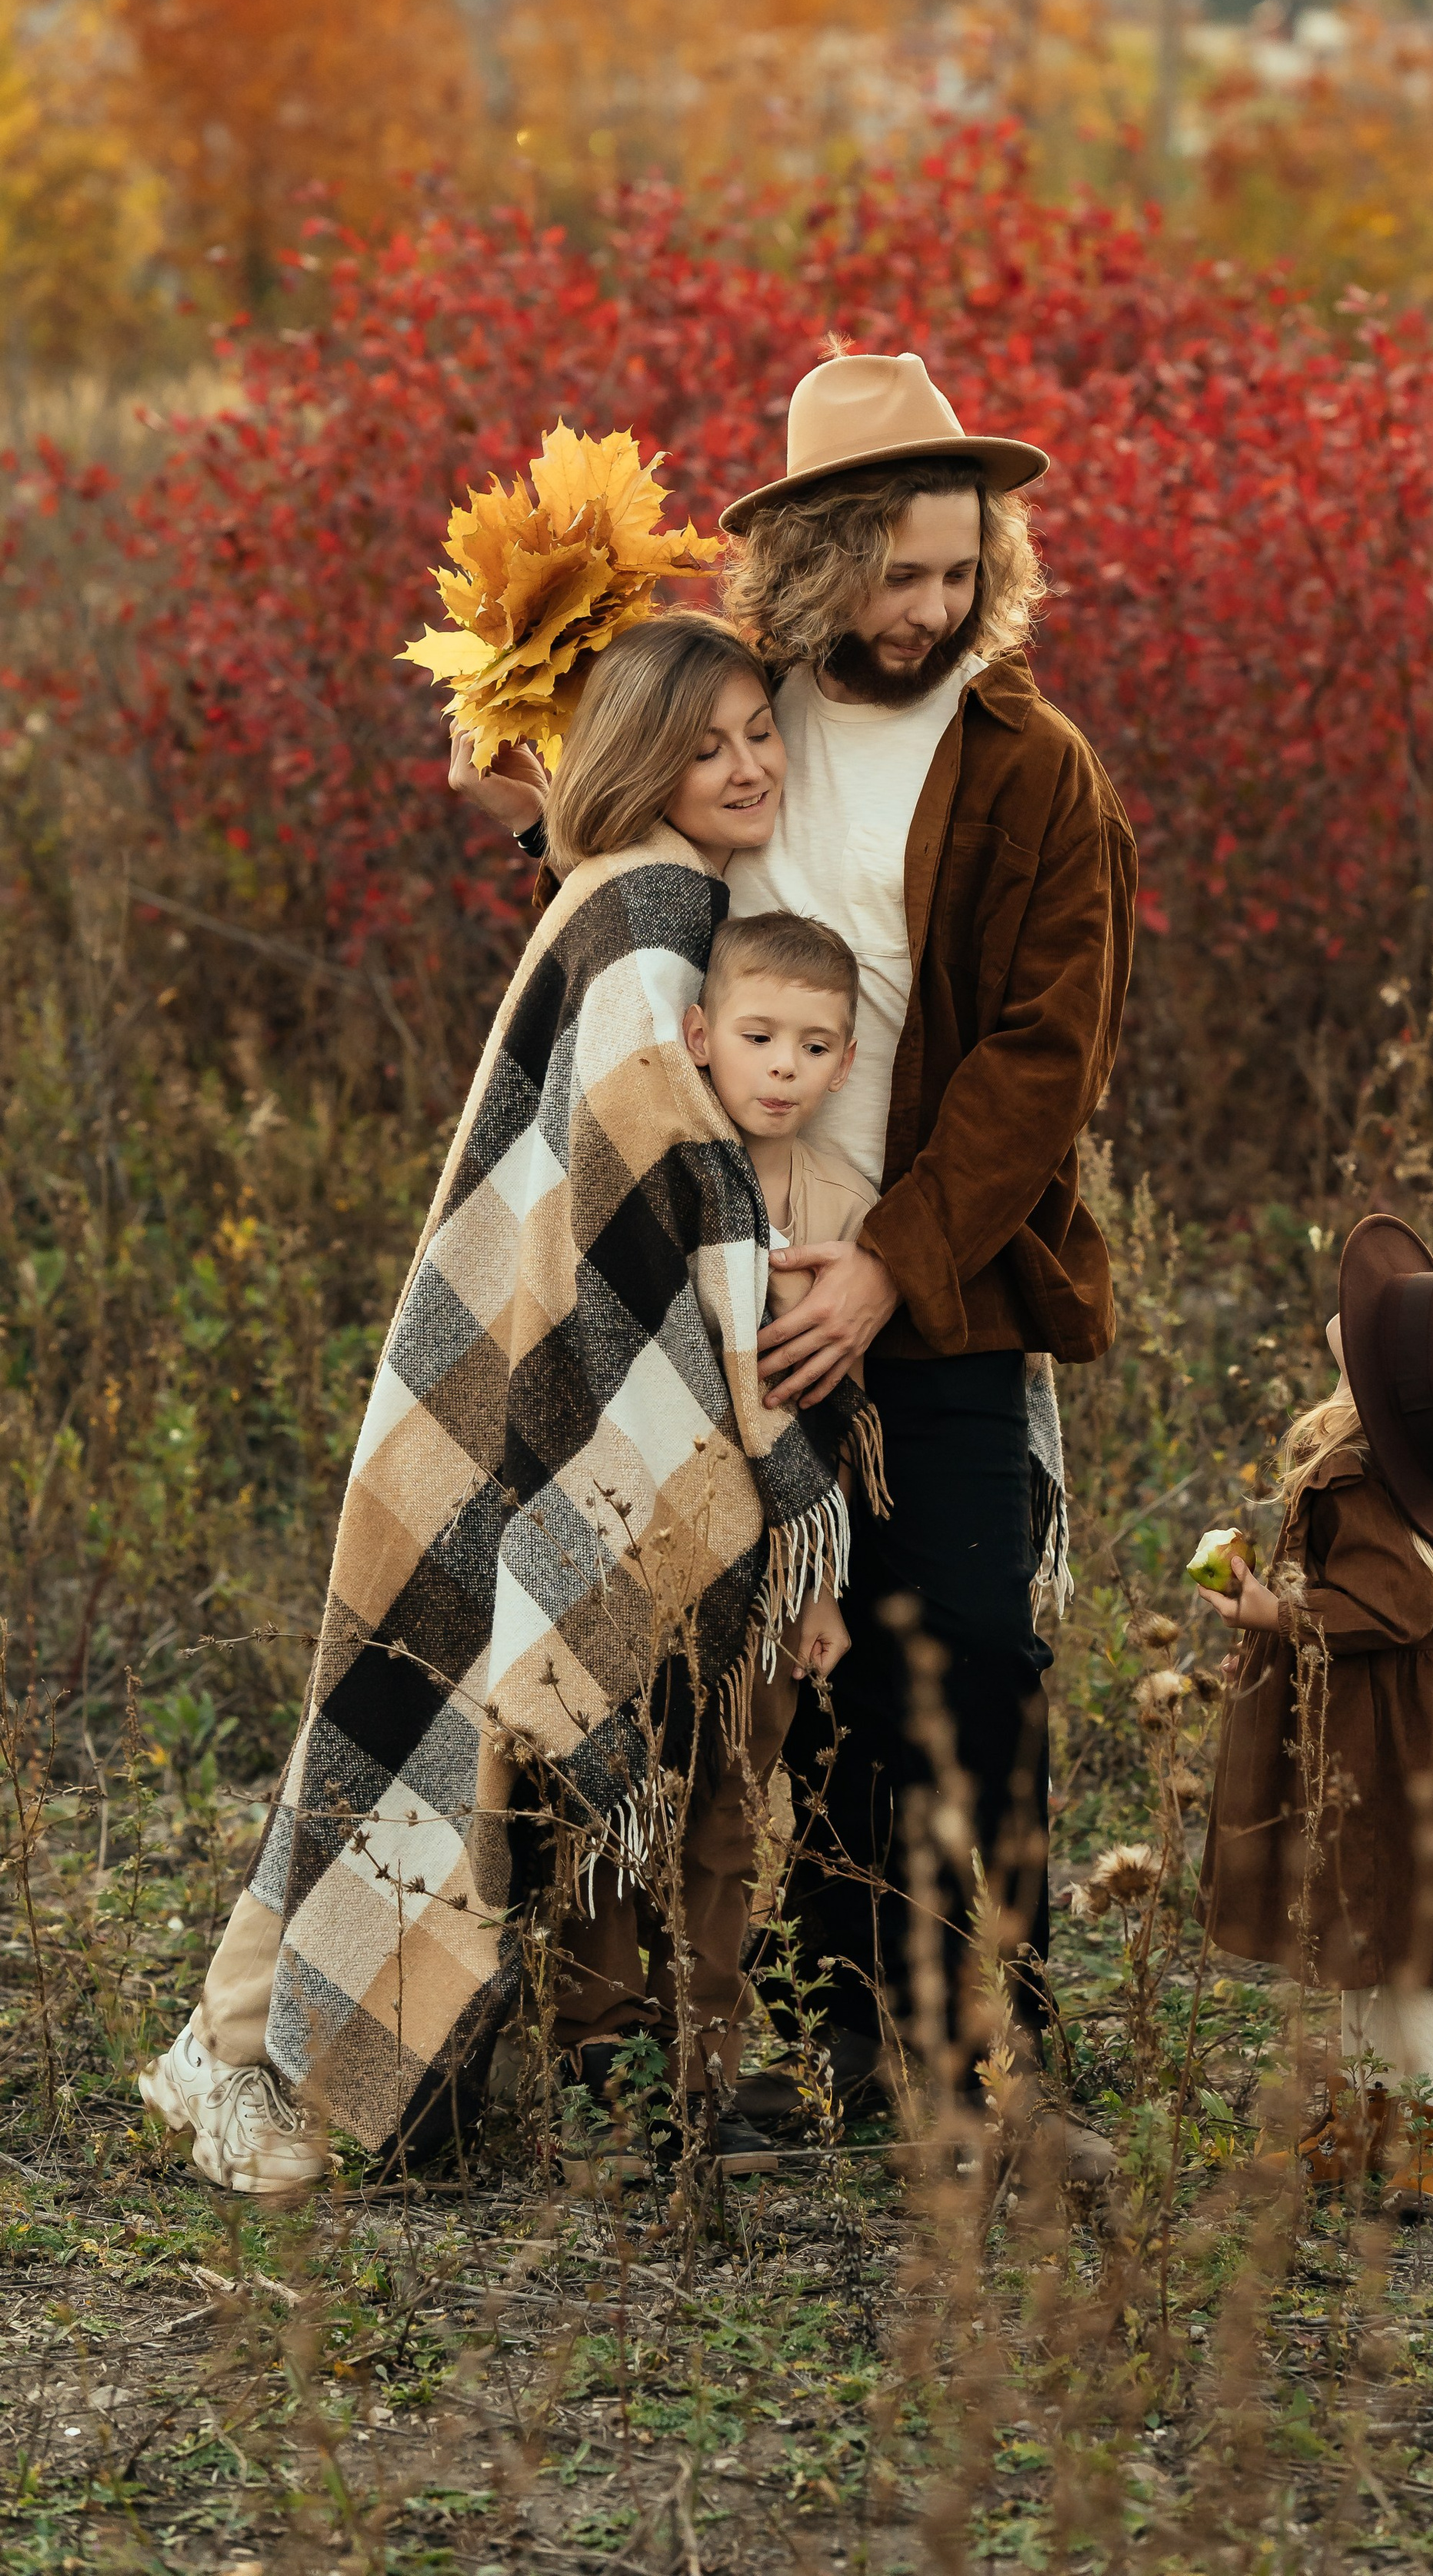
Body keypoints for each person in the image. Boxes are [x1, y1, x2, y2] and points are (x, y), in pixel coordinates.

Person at [454, 353, 1135, 2168]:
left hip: (942, 1291)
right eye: (899, 571)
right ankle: (821, 2047)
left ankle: (979, 2043)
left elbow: (1045, 1059)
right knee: (769, 1675)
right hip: (725, 1296)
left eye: (959, 567)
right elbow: (611, 884)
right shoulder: (739, 719)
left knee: (964, 1653)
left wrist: (892, 1262)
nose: (935, 607)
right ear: (821, 562)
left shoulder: (1032, 769)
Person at [140, 614, 854, 2192]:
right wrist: (769, 1419)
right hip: (538, 1389)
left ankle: (267, 2036)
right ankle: (245, 2048)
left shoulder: (636, 896)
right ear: (641, 762)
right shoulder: (656, 905)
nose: (744, 764)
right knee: (406, 1705)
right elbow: (653, 1177)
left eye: (758, 731)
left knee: (402, 1700)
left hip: (494, 1377)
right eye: (704, 741)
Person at [1194, 1213, 1433, 2223]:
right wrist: (1267, 1631)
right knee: (1362, 1941)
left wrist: (1271, 1612)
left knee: (1419, 1956)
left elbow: (1379, 1608)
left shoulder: (1362, 1482)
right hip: (1373, 1733)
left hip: (1392, 1749)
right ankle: (1366, 2119)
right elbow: (1340, 1600)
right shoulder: (1382, 1474)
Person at [679, 910, 877, 1360]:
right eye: (757, 1038)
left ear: (842, 1065)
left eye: (815, 1048)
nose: (786, 1065)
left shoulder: (852, 1207)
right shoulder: (668, 1175)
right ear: (699, 1037)